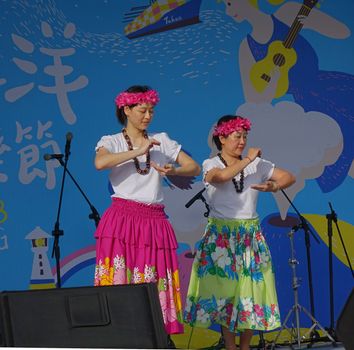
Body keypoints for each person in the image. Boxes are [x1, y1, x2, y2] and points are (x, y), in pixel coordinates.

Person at [93, 85, 201, 336]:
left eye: (151, 111)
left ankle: (155, 336)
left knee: (153, 283)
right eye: (142, 110)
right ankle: (120, 336)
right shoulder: (112, 141)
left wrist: (174, 171)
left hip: (154, 221)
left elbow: (194, 167)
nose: (148, 116)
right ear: (126, 110)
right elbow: (100, 162)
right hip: (122, 219)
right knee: (121, 281)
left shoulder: (161, 140)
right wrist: (138, 151)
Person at [184, 115, 296, 350]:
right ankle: (230, 345)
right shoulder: (210, 164)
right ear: (222, 138)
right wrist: (247, 160)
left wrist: (274, 185)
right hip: (221, 237)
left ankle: (245, 346)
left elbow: (289, 176)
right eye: (237, 136)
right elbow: (222, 177)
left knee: (250, 292)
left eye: (245, 136)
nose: (242, 141)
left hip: (249, 236)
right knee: (226, 292)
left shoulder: (258, 164)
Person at [222, 0, 352, 192]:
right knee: (342, 153)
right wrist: (272, 85)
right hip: (309, 105)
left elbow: (343, 32)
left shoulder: (288, 14)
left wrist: (312, 18)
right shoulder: (247, 48)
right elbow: (254, 99)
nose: (227, 11)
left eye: (231, 3)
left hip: (333, 87)